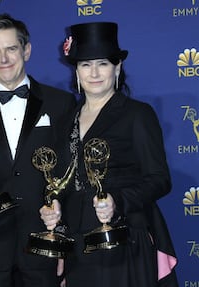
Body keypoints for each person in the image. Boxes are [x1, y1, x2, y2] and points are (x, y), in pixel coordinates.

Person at [40, 22, 179, 287]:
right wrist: (54, 206)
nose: (93, 73)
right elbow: (62, 180)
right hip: (79, 247)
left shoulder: (137, 114)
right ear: (76, 71)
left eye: (102, 63)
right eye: (85, 64)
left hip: (124, 240)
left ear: (117, 67)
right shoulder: (66, 119)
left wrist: (118, 202)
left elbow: (159, 178)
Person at [0, 14, 77, 287]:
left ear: (27, 50)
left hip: (44, 241)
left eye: (11, 49)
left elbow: (71, 170)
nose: (4, 59)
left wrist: (63, 227)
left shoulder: (61, 103)